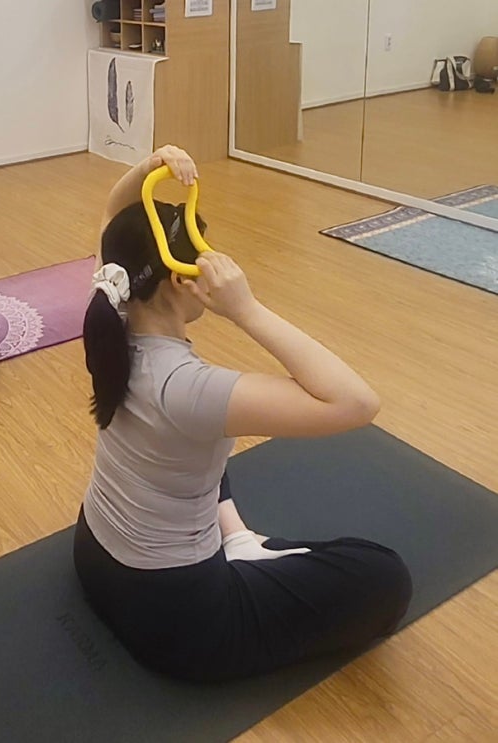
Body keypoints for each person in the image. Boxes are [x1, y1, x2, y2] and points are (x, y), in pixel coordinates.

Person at [74, 145, 412, 682]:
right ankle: (240, 549)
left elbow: (115, 214)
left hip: (94, 555)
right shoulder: (188, 388)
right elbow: (356, 403)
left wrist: (152, 167)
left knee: (199, 441)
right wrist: (245, 309)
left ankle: (239, 540)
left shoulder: (111, 304)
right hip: (178, 619)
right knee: (384, 577)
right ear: (179, 280)